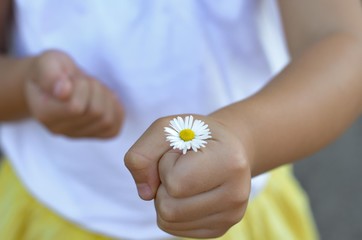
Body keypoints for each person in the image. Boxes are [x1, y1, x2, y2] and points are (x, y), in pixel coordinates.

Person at [0, 0, 361, 239]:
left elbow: (344, 44)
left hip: (242, 207)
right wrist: (24, 85)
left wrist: (246, 137)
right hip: (55, 204)